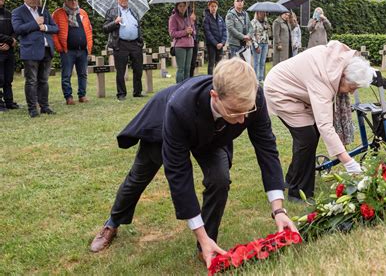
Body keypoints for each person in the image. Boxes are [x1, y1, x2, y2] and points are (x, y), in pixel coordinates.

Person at [90, 58, 298, 267]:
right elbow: (179, 174)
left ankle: (207, 244)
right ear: (215, 96)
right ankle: (113, 222)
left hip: (213, 137)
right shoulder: (179, 107)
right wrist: (194, 226)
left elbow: (267, 149)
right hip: (167, 127)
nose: (243, 120)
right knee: (138, 178)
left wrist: (278, 210)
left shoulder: (253, 98)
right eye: (236, 112)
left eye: (247, 111)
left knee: (220, 178)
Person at [264, 41, 375, 203]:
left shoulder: (341, 62)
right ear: (343, 76)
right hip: (280, 91)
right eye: (352, 87)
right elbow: (326, 126)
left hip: (297, 92)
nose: (352, 92)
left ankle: (291, 179)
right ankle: (298, 193)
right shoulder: (323, 79)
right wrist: (348, 162)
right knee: (306, 137)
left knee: (309, 135)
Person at [12, 0, 58, 118]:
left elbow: (56, 28)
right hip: (30, 51)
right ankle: (32, 108)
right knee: (31, 81)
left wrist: (45, 27)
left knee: (44, 80)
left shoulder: (44, 11)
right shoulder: (17, 12)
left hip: (46, 49)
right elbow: (18, 29)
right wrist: (35, 23)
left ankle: (45, 106)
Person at [52, 0, 93, 105]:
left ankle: (82, 95)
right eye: (70, 0)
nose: (74, 2)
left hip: (82, 50)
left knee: (83, 74)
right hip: (67, 51)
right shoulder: (58, 13)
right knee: (66, 75)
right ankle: (68, 97)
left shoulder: (83, 13)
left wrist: (89, 47)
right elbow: (53, 33)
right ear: (65, 1)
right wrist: (60, 48)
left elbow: (89, 30)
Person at [103, 0, 144, 101]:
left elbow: (139, 26)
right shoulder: (112, 12)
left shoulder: (133, 11)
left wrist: (140, 40)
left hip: (135, 43)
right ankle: (121, 93)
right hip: (120, 43)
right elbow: (105, 28)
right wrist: (115, 22)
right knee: (121, 70)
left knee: (138, 69)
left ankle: (137, 92)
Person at [0, 0, 19, 112]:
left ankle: (9, 101)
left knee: (8, 78)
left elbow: (15, 30)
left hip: (9, 51)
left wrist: (12, 40)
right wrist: (9, 40)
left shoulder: (9, 14)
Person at [168, 2, 195, 83]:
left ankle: (186, 88)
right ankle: (179, 87)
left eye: (184, 6)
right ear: (177, 7)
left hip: (190, 45)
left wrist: (192, 30)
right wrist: (185, 32)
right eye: (180, 6)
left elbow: (194, 33)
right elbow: (172, 33)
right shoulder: (173, 18)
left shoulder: (189, 18)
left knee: (188, 69)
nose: (182, 8)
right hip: (180, 46)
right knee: (181, 69)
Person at [203, 0, 227, 75]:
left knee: (219, 63)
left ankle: (218, 78)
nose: (213, 8)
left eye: (215, 6)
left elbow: (224, 31)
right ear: (209, 7)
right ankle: (209, 79)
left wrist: (222, 42)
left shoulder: (220, 18)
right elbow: (208, 33)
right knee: (211, 63)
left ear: (217, 7)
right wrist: (216, 43)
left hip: (220, 44)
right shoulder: (206, 19)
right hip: (211, 45)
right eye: (212, 6)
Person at [249, 11, 271, 83]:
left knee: (262, 62)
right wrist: (256, 46)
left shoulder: (265, 22)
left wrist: (268, 26)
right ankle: (255, 79)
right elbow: (252, 35)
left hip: (265, 43)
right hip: (257, 44)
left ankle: (261, 78)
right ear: (257, 13)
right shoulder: (253, 22)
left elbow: (269, 33)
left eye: (264, 13)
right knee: (256, 62)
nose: (263, 14)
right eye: (261, 13)